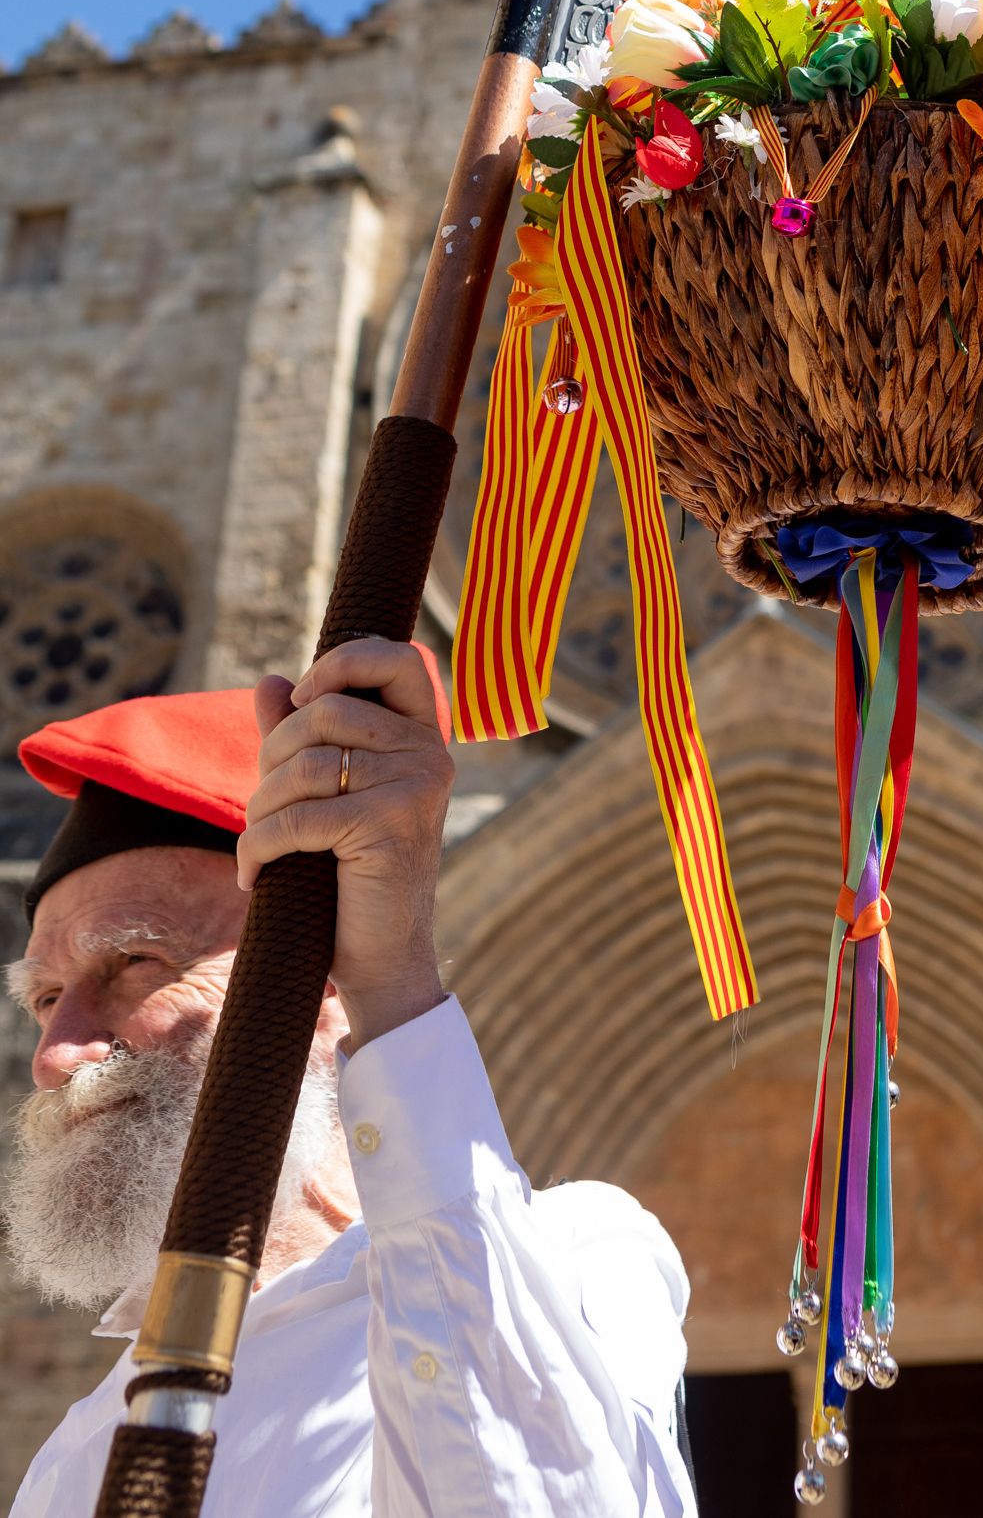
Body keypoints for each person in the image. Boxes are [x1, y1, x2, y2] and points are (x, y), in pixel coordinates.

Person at [3, 639, 697, 1517]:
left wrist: (394, 985)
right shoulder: (75, 1450)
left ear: (324, 978)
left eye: (135, 960)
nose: (56, 1053)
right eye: (47, 997)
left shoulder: (572, 1253)